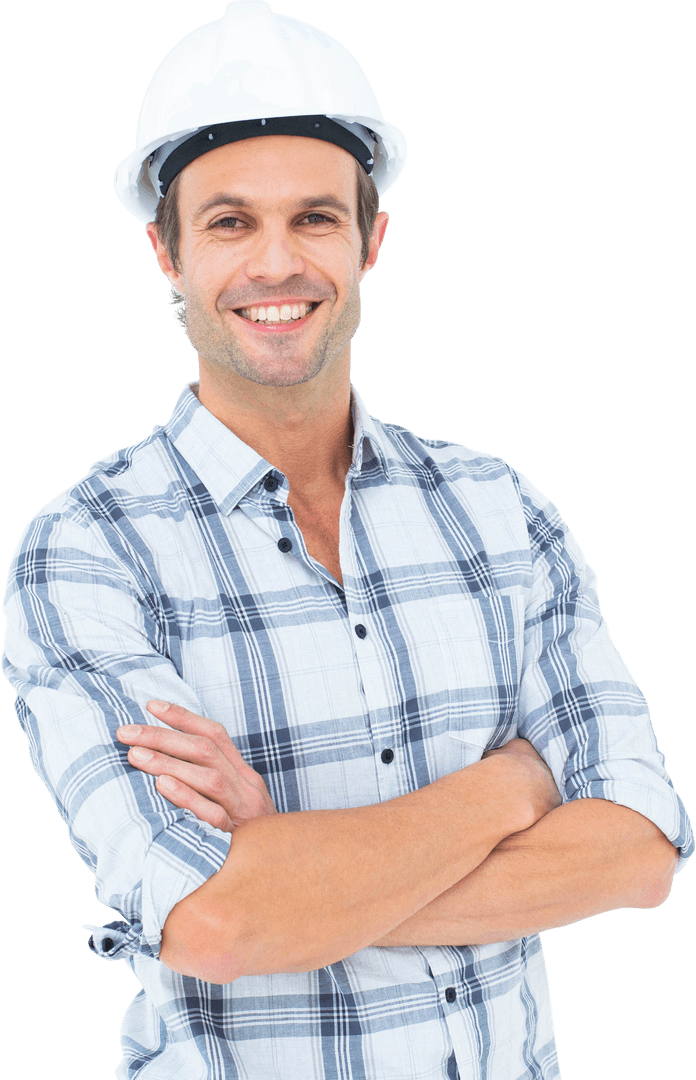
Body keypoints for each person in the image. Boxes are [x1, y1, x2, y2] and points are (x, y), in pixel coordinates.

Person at [2, 2, 693, 1078]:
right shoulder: (87, 553)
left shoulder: (500, 510)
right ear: (166, 252)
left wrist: (291, 874)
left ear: (371, 240)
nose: (277, 262)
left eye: (315, 217)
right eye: (230, 223)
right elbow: (218, 923)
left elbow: (640, 851)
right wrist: (513, 787)